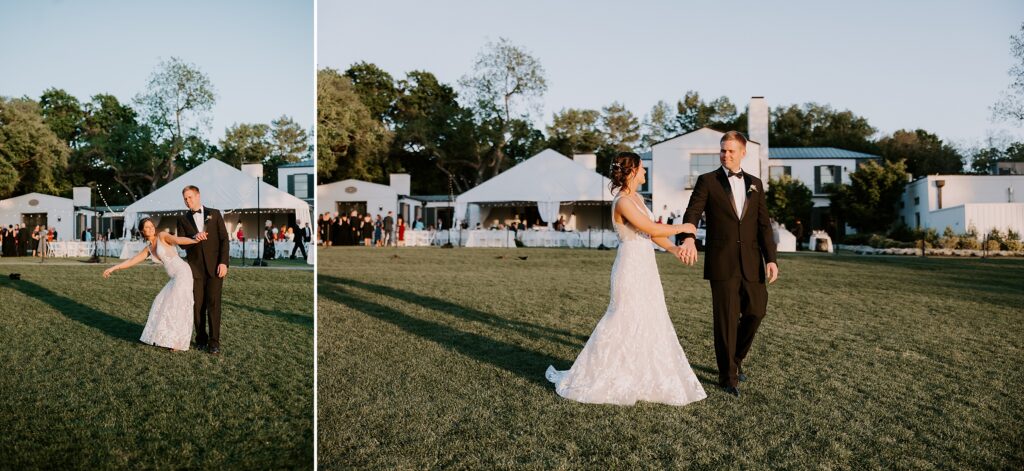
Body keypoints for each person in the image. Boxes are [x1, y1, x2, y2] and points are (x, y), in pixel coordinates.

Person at [546, 151, 705, 406]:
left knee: (649, 318)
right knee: (621, 317)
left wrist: (674, 249)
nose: (645, 173)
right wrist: (682, 228)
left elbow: (652, 235)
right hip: (630, 266)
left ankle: (640, 375)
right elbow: (651, 228)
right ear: (632, 172)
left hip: (646, 266)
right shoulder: (622, 202)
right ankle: (596, 374)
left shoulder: (638, 199)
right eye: (642, 169)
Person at [678, 131, 779, 397]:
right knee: (725, 320)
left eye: (731, 151)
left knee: (757, 311)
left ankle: (735, 359)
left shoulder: (755, 184)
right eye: (723, 150)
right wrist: (688, 237)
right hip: (722, 262)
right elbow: (693, 212)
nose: (725, 155)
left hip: (752, 261)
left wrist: (771, 259)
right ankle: (728, 377)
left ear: (743, 152)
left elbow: (763, 225)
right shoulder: (707, 181)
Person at [103, 218, 200, 351]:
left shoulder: (162, 236)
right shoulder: (148, 248)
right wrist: (114, 268)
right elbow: (132, 261)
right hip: (174, 277)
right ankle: (165, 337)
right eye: (147, 227)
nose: (151, 228)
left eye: (151, 226)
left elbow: (178, 240)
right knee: (160, 301)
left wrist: (195, 240)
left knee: (176, 305)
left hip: (183, 273)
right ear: (142, 231)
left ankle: (177, 342)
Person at [177, 185, 231, 354]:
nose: (187, 201)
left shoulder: (214, 214)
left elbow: (224, 239)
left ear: (198, 196)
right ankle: (200, 338)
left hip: (216, 268)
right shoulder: (182, 219)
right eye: (185, 198)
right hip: (195, 269)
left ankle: (214, 342)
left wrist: (224, 263)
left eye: (190, 197)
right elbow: (181, 243)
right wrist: (193, 237)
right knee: (197, 306)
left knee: (214, 305)